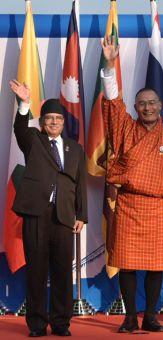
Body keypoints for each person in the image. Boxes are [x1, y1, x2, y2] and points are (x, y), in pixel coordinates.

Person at [100, 36, 163, 333]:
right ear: (135, 107)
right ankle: (129, 317)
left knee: (155, 266)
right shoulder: (125, 127)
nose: (148, 108)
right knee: (126, 263)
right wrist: (110, 65)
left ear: (160, 105)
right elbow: (112, 104)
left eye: (152, 103)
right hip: (129, 205)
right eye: (142, 104)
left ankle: (150, 316)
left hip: (159, 209)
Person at [9, 80, 87, 337]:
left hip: (64, 216)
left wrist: (82, 215)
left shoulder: (74, 149)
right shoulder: (33, 140)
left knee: (64, 272)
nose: (53, 122)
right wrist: (25, 104)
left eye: (58, 118)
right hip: (37, 215)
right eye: (49, 118)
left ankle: (61, 323)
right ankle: (37, 324)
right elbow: (20, 128)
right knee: (37, 272)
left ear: (64, 123)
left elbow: (81, 184)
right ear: (42, 122)